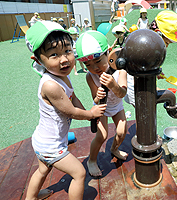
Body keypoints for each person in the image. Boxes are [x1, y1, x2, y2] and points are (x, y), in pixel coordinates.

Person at [24, 21, 106, 200]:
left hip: (45, 140)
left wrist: (89, 115)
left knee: (43, 169)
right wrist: (90, 114)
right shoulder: (50, 86)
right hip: (50, 145)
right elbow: (70, 111)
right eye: (54, 54)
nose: (64, 59)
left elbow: (73, 98)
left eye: (67, 51)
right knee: (79, 173)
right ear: (38, 60)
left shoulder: (62, 76)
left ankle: (31, 198)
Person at [76, 30, 128, 177]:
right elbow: (95, 99)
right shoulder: (90, 76)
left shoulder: (120, 71)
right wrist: (98, 95)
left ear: (109, 54)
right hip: (102, 108)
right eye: (88, 64)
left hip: (117, 106)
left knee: (121, 132)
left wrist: (113, 85)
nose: (95, 68)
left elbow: (122, 93)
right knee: (102, 135)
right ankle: (91, 160)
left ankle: (114, 149)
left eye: (98, 61)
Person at [124, 10, 177, 107]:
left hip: (143, 83)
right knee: (143, 110)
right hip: (136, 86)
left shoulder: (151, 46)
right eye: (167, 43)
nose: (167, 47)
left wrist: (155, 73)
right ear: (158, 34)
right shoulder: (144, 46)